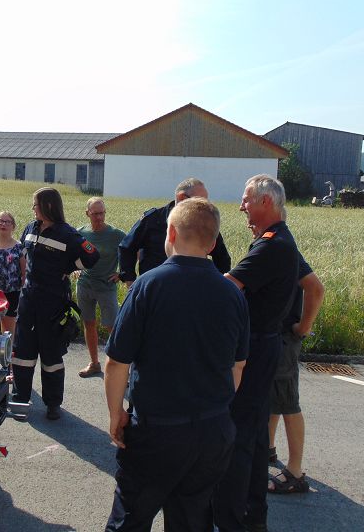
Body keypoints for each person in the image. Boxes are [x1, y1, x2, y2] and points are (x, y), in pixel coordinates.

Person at [104, 198, 249, 531]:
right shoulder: (233, 294)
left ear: (170, 232)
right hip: (213, 432)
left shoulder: (148, 285)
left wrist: (116, 415)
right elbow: (237, 367)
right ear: (213, 244)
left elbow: (116, 363)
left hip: (157, 431)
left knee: (130, 519)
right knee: (192, 520)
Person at [212, 174, 299, 532]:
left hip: (258, 345)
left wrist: (183, 277)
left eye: (246, 199)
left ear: (266, 202)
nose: (241, 206)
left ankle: (234, 519)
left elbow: (228, 285)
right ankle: (253, 516)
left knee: (241, 434)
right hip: (264, 343)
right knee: (256, 431)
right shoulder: (276, 241)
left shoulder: (271, 245)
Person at [11, 187, 100, 420]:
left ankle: (53, 404)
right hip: (29, 300)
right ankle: (20, 398)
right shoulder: (30, 228)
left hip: (53, 302)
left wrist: (70, 267)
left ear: (48, 206)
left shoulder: (66, 233)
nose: (33, 209)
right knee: (22, 351)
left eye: (35, 204)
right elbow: (24, 253)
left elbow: (92, 256)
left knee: (51, 355)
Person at [267, 247, 324, 494]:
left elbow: (316, 288)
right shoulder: (271, 244)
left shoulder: (282, 246)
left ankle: (295, 472)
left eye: (247, 204)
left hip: (284, 339)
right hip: (275, 337)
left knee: (288, 402)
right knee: (274, 396)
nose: (243, 208)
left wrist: (303, 327)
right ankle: (267, 449)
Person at [118, 177, 231, 284]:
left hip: (192, 288)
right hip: (154, 288)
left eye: (206, 202)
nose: (204, 207)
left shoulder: (204, 223)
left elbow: (222, 258)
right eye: (199, 201)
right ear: (181, 197)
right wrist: (130, 281)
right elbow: (127, 247)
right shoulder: (153, 219)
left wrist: (217, 284)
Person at [75, 197, 126, 378]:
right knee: (89, 323)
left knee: (113, 327)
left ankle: (121, 369)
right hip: (85, 285)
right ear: (87, 213)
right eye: (95, 213)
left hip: (106, 287)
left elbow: (133, 251)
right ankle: (94, 364)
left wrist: (122, 274)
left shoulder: (116, 234)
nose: (99, 217)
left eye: (102, 213)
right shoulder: (80, 233)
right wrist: (75, 268)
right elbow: (72, 253)